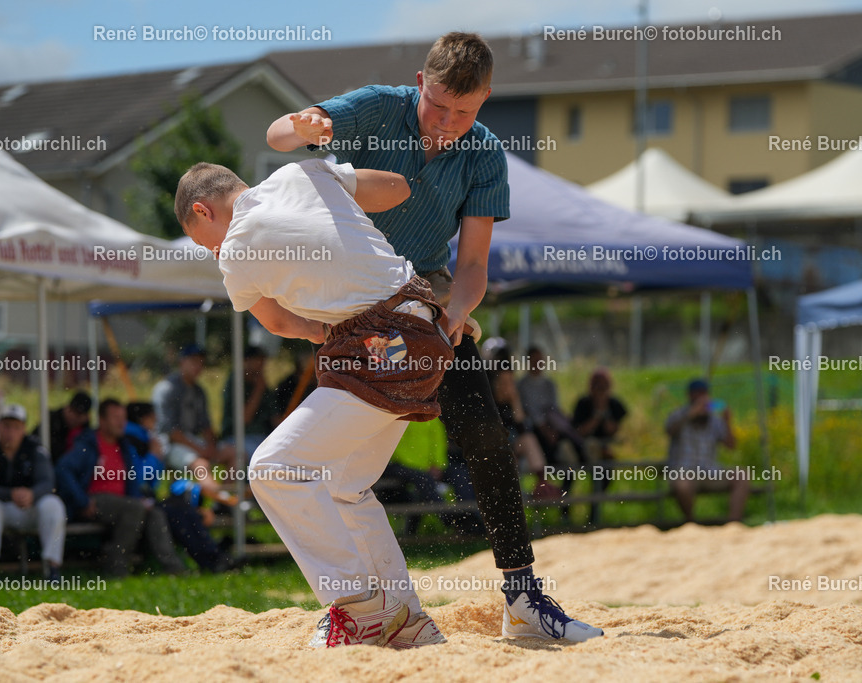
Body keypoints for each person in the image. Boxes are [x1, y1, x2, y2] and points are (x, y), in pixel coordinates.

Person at [266, 32, 602, 641]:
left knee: (483, 430)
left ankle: (522, 599)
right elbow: (278, 137)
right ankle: (354, 605)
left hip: (425, 301)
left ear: (486, 101)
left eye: (464, 113)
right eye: (439, 106)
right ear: (420, 83)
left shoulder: (484, 153)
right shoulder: (375, 107)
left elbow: (473, 266)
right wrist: (305, 124)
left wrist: (456, 313)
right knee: (334, 467)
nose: (448, 123)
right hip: (351, 305)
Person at [176, 157, 459, 648]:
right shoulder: (300, 172)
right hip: (424, 332)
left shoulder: (236, 248)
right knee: (346, 485)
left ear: (204, 210)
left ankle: (361, 606)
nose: (214, 250)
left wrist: (325, 329)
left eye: (206, 240)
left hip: (379, 349)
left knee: (271, 468)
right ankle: (407, 619)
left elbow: (283, 325)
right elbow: (395, 188)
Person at [55, 399, 186, 576]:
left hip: (125, 503)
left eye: (123, 418)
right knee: (135, 508)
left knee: (155, 514)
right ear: (102, 421)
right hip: (95, 499)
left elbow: (135, 480)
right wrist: (82, 501)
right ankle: (117, 567)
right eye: (115, 418)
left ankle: (173, 569)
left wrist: (140, 497)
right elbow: (64, 470)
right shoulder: (88, 444)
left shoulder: (124, 446)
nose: (121, 422)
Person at [125, 402, 236, 573]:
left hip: (143, 499)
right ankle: (213, 560)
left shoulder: (139, 437)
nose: (155, 425)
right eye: (153, 420)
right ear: (144, 419)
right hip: (134, 501)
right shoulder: (132, 439)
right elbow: (140, 478)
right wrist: (155, 455)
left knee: (184, 508)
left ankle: (215, 557)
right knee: (179, 513)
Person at [0, 404, 66, 581]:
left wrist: (32, 494)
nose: (10, 432)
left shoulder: (34, 449)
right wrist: (9, 494)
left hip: (27, 508)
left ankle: (52, 569)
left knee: (53, 504)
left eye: (16, 427)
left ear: (24, 429)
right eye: (6, 426)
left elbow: (47, 482)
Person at [152, 345, 237, 506]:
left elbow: (206, 425)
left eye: (201, 362)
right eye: (193, 361)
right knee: (201, 465)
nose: (198, 366)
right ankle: (229, 502)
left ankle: (219, 507)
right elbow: (170, 433)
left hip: (193, 443)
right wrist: (202, 450)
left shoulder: (199, 391)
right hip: (169, 445)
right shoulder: (166, 389)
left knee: (234, 454)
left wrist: (211, 445)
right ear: (181, 362)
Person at [483, 339, 560, 500]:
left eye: (511, 382)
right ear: (494, 383)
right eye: (504, 383)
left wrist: (515, 401)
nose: (509, 386)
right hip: (492, 448)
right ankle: (509, 497)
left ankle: (542, 482)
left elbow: (522, 427)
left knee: (528, 439)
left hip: (510, 446)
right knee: (509, 455)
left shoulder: (512, 401)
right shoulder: (488, 402)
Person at [665, 379, 751, 523]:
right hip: (684, 472)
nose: (702, 400)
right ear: (690, 396)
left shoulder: (714, 421)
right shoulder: (678, 415)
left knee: (741, 475)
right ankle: (691, 522)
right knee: (682, 484)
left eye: (704, 395)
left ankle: (734, 523)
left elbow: (731, 446)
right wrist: (690, 415)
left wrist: (727, 422)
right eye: (697, 395)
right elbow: (669, 431)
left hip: (710, 472)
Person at [221, 345, 275, 458]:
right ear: (246, 361)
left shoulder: (263, 384)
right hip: (237, 437)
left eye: (263, 361)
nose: (261, 365)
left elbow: (275, 418)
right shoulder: (236, 382)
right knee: (259, 456)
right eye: (257, 360)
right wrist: (258, 390)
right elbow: (244, 418)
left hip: (263, 437)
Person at [573, 368, 628, 461]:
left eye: (604, 387)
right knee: (592, 446)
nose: (601, 391)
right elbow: (581, 431)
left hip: (607, 444)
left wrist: (604, 409)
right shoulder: (583, 403)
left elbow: (612, 430)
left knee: (607, 455)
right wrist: (597, 414)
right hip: (585, 445)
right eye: (598, 386)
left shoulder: (614, 404)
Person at [34, 391, 91, 463]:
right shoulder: (51, 422)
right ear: (67, 408)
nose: (74, 418)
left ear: (85, 417)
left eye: (79, 415)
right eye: (73, 411)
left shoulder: (85, 432)